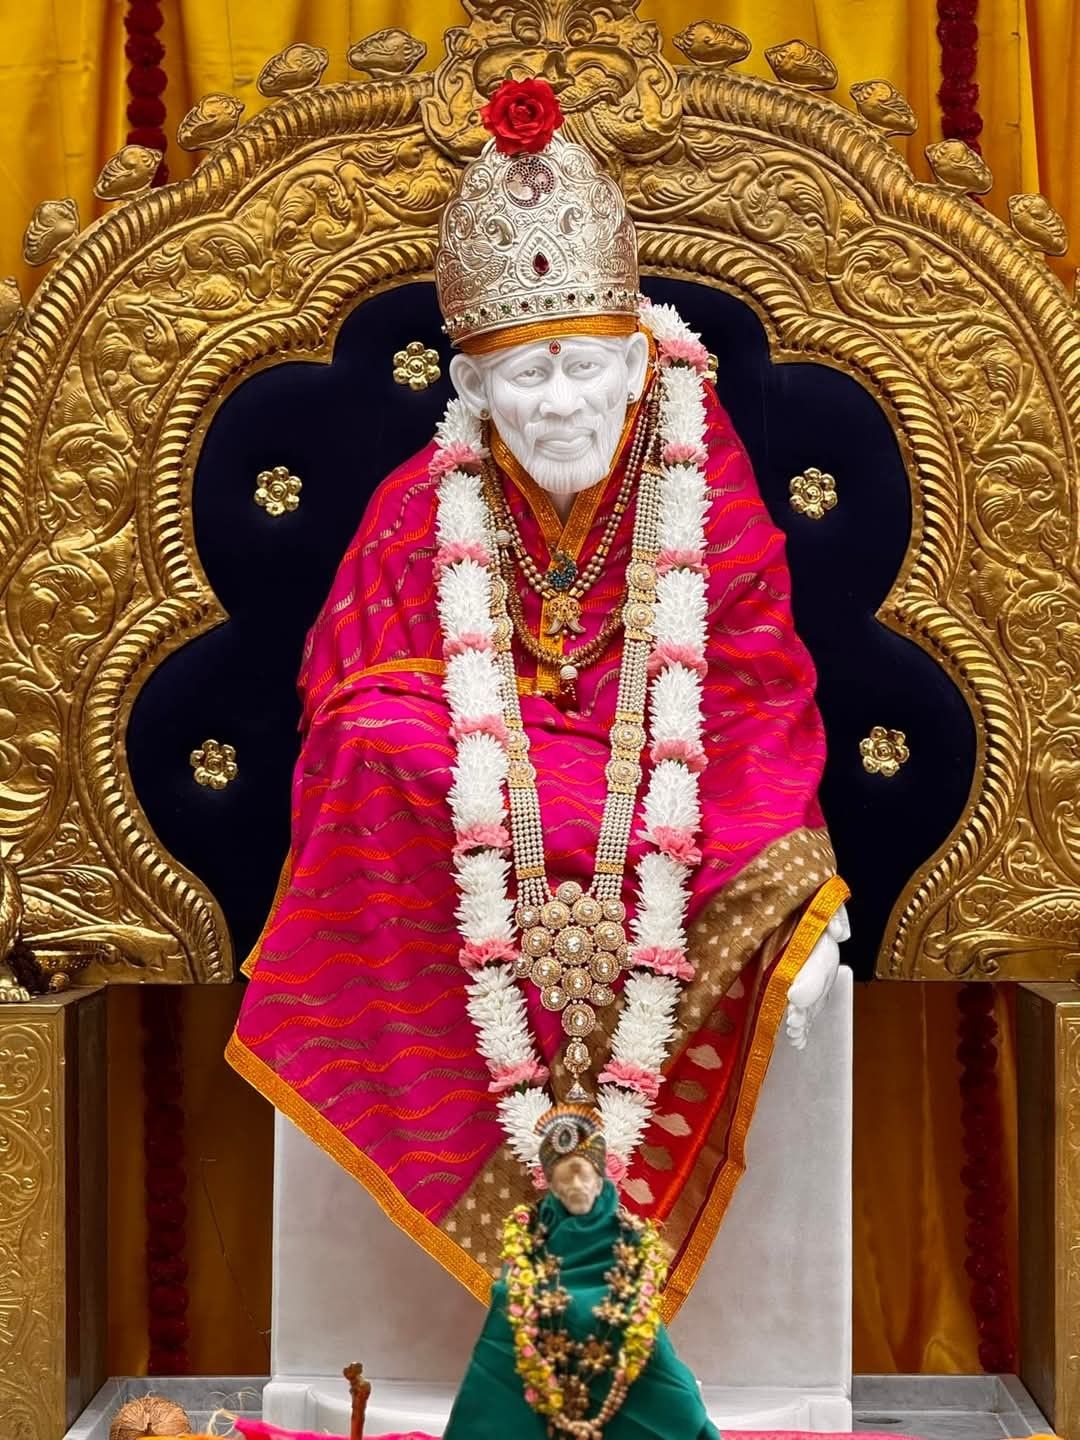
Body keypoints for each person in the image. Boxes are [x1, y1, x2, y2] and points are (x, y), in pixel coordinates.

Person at [226, 77, 848, 1320]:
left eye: (582, 367)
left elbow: (758, 692)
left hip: (663, 785)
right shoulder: (422, 502)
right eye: (525, 375)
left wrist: (802, 890)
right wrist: (484, 741)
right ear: (469, 386)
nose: (559, 404)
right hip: (476, 778)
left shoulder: (703, 486)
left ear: (639, 359)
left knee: (750, 854)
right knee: (372, 751)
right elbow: (346, 692)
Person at [443, 1105, 719, 1439]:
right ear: (551, 1182)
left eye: (583, 1175)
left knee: (661, 1366)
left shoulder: (628, 1231)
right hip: (541, 1321)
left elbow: (640, 1286)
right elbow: (513, 1279)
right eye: (565, 1176)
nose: (575, 1185)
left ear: (599, 1176)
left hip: (619, 1323)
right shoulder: (531, 1228)